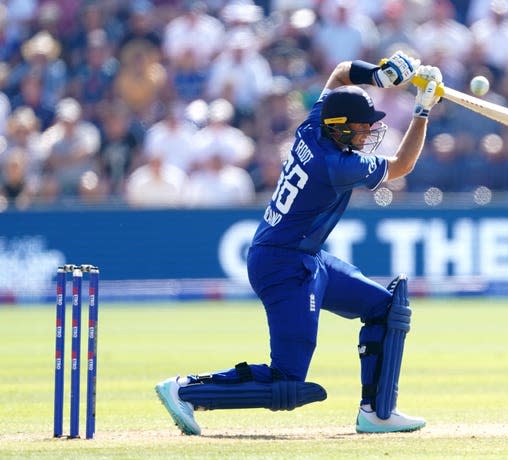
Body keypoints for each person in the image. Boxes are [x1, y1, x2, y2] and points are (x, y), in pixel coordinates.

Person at [155, 51, 443, 434]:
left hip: (305, 258)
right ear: (338, 128)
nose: (367, 134)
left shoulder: (312, 126)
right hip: (284, 265)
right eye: (360, 128)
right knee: (288, 380)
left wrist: (381, 76)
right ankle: (187, 390)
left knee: (385, 308)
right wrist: (422, 112)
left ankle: (377, 412)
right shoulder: (336, 166)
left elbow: (341, 72)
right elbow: (403, 165)